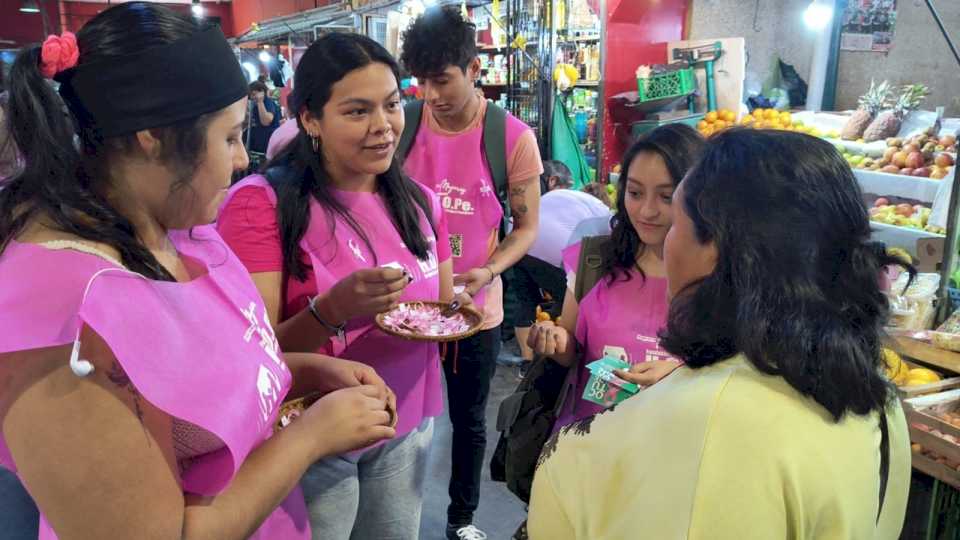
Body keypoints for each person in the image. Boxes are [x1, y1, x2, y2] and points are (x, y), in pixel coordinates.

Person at [0, 4, 396, 539]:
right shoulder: (59, 318)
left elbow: (194, 386)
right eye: (230, 137)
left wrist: (298, 372)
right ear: (153, 137)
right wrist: (311, 437)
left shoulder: (172, 221)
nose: (241, 161)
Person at [527, 128, 912, 539]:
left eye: (676, 217)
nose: (655, 222)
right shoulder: (878, 402)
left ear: (717, 250)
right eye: (635, 193)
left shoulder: (707, 428)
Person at [218, 33, 461, 540]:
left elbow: (441, 307)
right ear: (309, 118)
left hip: (406, 421)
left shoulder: (418, 202)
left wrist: (470, 306)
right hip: (308, 429)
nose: (383, 127)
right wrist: (331, 311)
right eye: (356, 111)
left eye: (392, 105)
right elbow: (250, 357)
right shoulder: (261, 206)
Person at [400, 6, 543, 539]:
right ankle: (395, 514)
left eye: (443, 80)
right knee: (401, 417)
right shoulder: (405, 126)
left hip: (473, 312)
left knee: (468, 421)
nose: (432, 94)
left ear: (473, 68)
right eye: (421, 82)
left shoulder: (510, 138)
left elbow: (526, 228)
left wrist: (488, 270)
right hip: (408, 309)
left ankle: (461, 519)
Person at [529, 124, 704, 427]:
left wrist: (681, 376)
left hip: (673, 450)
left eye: (666, 197)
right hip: (588, 443)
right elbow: (572, 351)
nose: (646, 211)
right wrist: (554, 341)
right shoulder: (595, 260)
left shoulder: (719, 279)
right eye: (635, 193)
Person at [514, 160, 610, 361]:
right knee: (569, 307)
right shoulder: (603, 211)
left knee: (524, 302)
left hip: (520, 243)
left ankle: (527, 362)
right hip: (556, 252)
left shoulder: (566, 196)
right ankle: (560, 358)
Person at [247, 80, 281, 154]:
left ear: (262, 91)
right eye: (251, 96)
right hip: (260, 145)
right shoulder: (255, 106)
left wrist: (260, 101)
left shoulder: (267, 102)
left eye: (254, 94)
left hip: (268, 144)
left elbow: (266, 121)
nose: (252, 97)